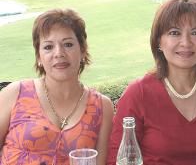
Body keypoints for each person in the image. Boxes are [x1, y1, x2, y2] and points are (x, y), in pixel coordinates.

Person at [107, 0, 196, 165]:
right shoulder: (138, 94)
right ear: (159, 42)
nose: (186, 42)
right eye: (174, 33)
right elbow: (116, 160)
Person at [0, 9, 114, 165]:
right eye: (48, 47)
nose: (59, 53)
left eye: (68, 44)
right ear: (39, 57)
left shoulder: (102, 106)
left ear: (82, 51)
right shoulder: (14, 93)